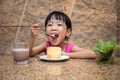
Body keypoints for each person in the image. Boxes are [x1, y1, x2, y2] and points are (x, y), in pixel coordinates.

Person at [29, 11, 97, 58]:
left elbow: (92, 54)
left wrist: (66, 54)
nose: (53, 28)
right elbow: (29, 53)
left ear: (68, 32)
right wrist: (32, 37)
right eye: (50, 25)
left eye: (59, 24)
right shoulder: (46, 45)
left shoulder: (69, 47)